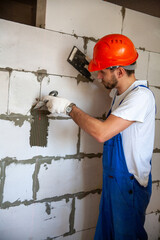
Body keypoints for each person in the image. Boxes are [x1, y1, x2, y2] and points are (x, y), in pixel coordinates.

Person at [43, 34, 156, 240]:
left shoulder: (141, 97)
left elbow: (102, 133)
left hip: (128, 186)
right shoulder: (121, 93)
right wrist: (92, 66)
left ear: (120, 71)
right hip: (114, 181)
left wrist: (68, 107)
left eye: (102, 72)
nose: (99, 77)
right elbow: (108, 88)